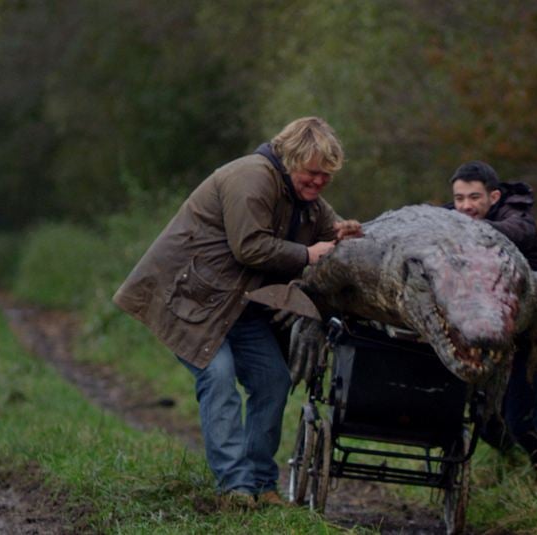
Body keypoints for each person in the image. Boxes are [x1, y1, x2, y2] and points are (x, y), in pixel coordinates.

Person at [112, 117, 362, 509]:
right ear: (290, 158)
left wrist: (344, 233)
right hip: (191, 300)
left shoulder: (304, 197)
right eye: (313, 173)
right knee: (218, 378)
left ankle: (263, 486)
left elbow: (329, 229)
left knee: (274, 381)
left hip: (241, 308)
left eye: (326, 177)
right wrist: (307, 254)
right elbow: (250, 247)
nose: (318, 182)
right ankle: (235, 488)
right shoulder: (252, 177)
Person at [446, 160, 537, 478]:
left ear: (493, 197)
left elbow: (516, 232)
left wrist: (462, 230)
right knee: (485, 421)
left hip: (528, 339)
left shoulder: (517, 217)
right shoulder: (452, 217)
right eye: (459, 199)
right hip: (485, 334)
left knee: (521, 421)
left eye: (474, 198)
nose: (466, 206)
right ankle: (511, 469)